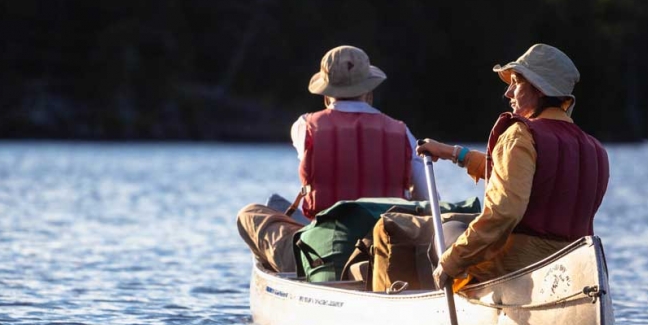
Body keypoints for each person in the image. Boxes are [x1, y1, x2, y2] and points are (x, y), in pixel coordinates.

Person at [416, 43, 609, 289]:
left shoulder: (520, 135)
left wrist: (451, 263)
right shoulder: (594, 148)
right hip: (572, 270)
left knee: (447, 230)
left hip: (517, 269)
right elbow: (528, 178)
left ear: (539, 90)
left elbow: (504, 212)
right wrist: (454, 153)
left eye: (516, 82)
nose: (508, 93)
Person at [237, 45, 432, 273]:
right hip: (386, 249)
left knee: (249, 214)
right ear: (369, 90)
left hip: (324, 252)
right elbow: (428, 200)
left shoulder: (304, 127)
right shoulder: (403, 134)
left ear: (326, 93)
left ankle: (294, 271)